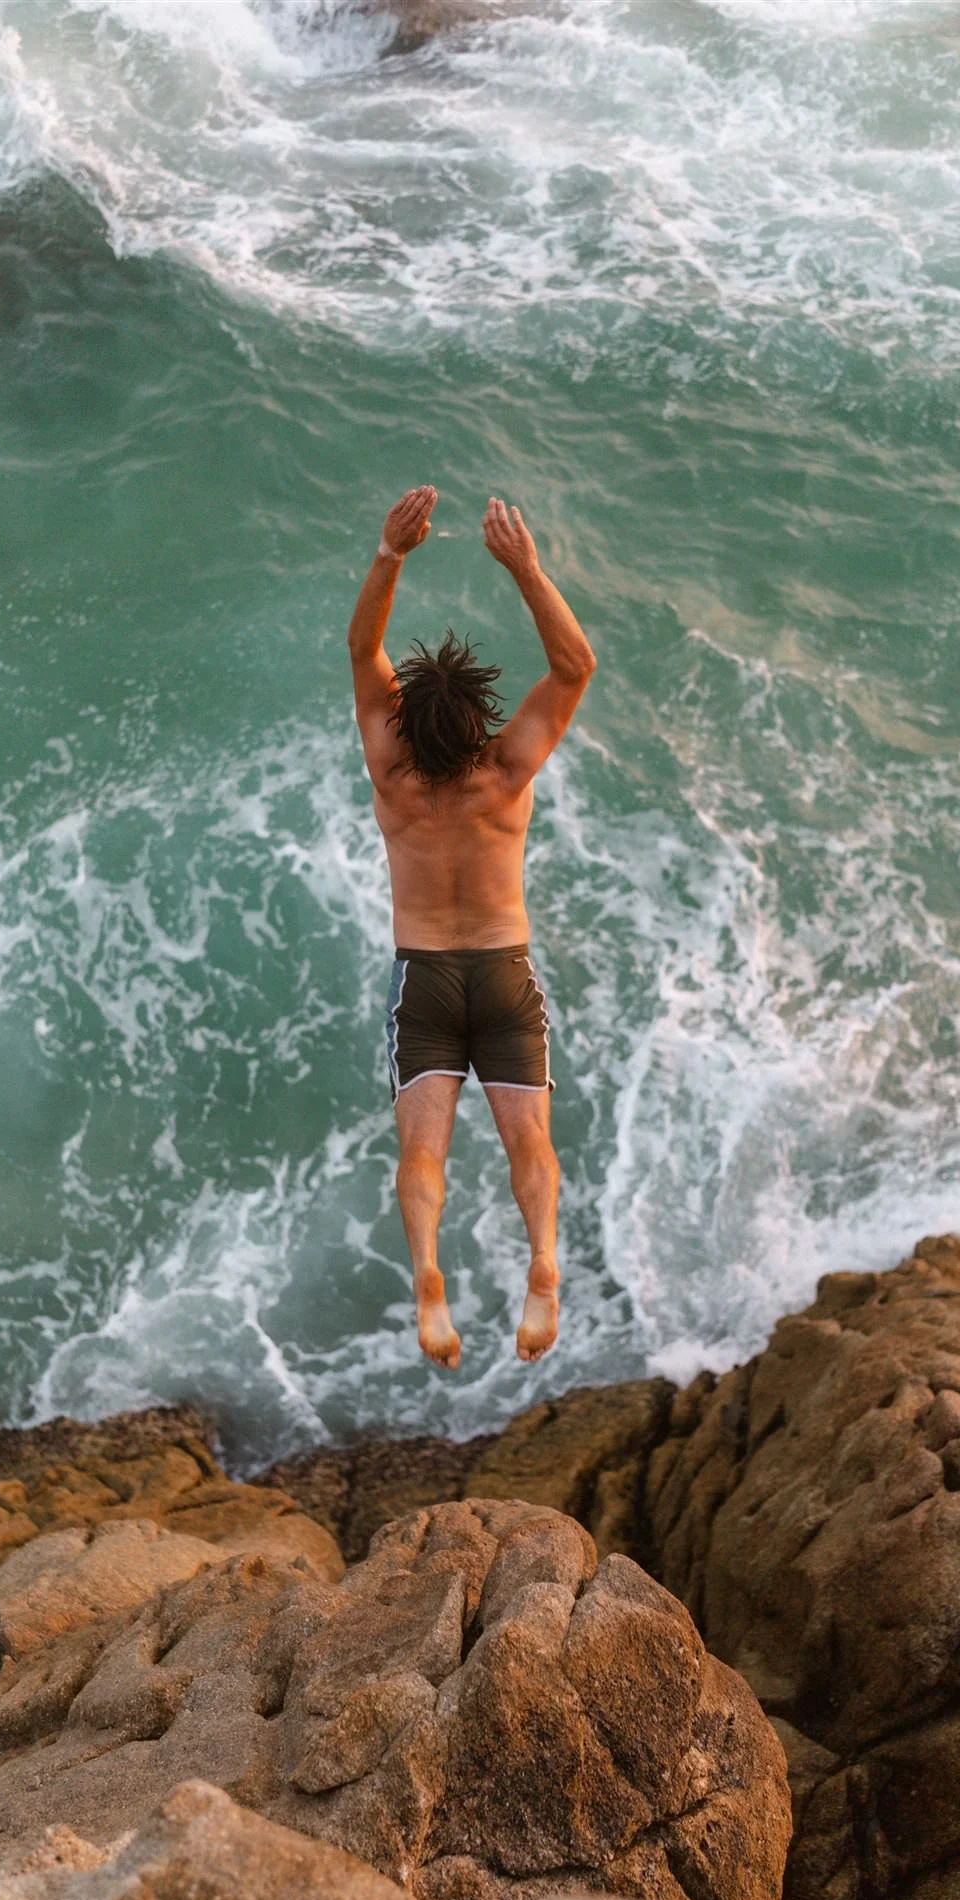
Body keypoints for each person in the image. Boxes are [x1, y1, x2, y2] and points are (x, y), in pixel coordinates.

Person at [347, 485, 596, 1369]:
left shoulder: (391, 774)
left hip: (424, 977)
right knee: (531, 1142)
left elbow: (364, 647)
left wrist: (390, 555)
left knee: (423, 1154)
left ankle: (427, 1275)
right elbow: (574, 667)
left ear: (406, 721)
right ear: (480, 721)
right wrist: (524, 567)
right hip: (502, 971)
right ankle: (543, 1262)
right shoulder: (505, 773)